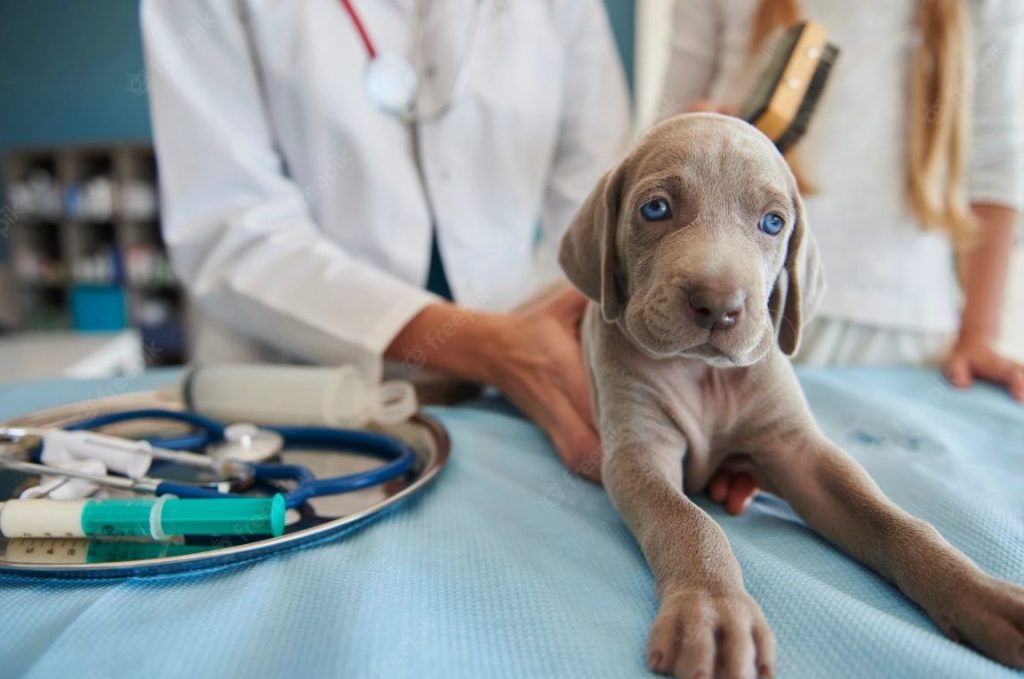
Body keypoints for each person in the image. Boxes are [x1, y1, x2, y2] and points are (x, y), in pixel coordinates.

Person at [141, 0, 630, 479]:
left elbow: (600, 202)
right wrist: (494, 348)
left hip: (522, 392)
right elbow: (228, 225)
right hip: (299, 400)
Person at [659, 0, 1024, 513]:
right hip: (743, 319)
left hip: (905, 343)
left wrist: (980, 334)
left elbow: (996, 159)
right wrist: (690, 129)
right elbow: (666, 119)